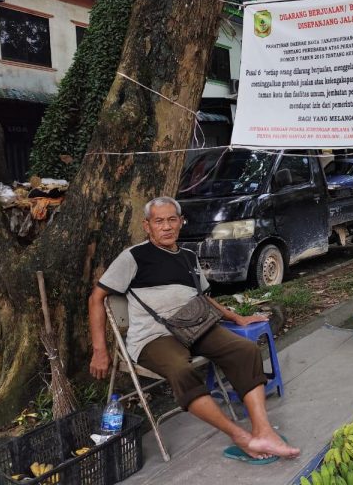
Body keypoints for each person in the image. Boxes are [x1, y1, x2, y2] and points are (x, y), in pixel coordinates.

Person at [89, 197, 300, 461]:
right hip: (154, 337)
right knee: (181, 369)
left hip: (194, 328)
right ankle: (240, 436)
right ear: (147, 226)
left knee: (245, 350)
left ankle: (263, 431)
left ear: (180, 222)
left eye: (171, 220)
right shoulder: (133, 257)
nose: (166, 226)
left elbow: (204, 297)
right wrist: (99, 350)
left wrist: (235, 317)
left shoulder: (188, 257)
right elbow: (96, 298)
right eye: (159, 221)